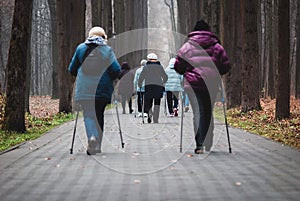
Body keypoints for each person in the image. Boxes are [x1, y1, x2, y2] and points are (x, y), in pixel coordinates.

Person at [174, 19, 230, 154]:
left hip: (193, 84)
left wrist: (186, 72)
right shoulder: (217, 46)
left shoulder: (187, 47)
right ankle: (208, 141)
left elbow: (178, 66)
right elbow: (226, 66)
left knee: (198, 113)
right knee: (207, 112)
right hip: (211, 83)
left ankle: (200, 144)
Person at [68, 26, 120, 155]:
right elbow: (116, 69)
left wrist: (79, 74)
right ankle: (97, 145)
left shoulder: (80, 48)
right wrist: (112, 77)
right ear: (103, 37)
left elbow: (72, 69)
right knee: (99, 115)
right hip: (102, 89)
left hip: (85, 88)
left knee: (88, 114)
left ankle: (92, 136)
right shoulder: (107, 50)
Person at [138, 53, 168, 123]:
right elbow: (165, 77)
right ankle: (155, 119)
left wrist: (139, 84)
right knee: (157, 103)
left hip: (148, 86)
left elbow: (141, 77)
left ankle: (149, 113)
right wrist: (163, 82)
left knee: (148, 102)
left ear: (149, 59)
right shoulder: (160, 67)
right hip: (158, 86)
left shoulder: (146, 67)